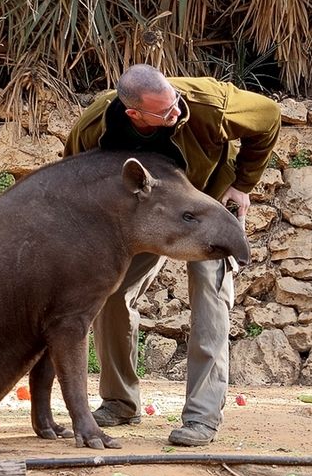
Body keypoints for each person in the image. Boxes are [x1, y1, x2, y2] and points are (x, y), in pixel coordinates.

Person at [63, 64, 280, 446]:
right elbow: (73, 177)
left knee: (210, 302)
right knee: (111, 294)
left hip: (208, 207)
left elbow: (269, 116)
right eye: (165, 113)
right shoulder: (96, 124)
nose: (176, 113)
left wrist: (243, 184)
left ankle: (201, 418)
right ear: (134, 114)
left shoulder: (209, 104)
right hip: (146, 219)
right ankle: (119, 401)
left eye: (175, 104)